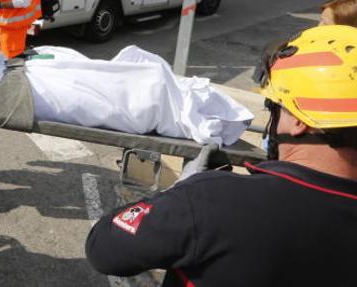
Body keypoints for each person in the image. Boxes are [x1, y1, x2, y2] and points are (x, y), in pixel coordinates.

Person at [84, 24, 357, 286]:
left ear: (300, 121)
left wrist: (179, 196)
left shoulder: (213, 200)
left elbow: (104, 248)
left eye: (276, 108)